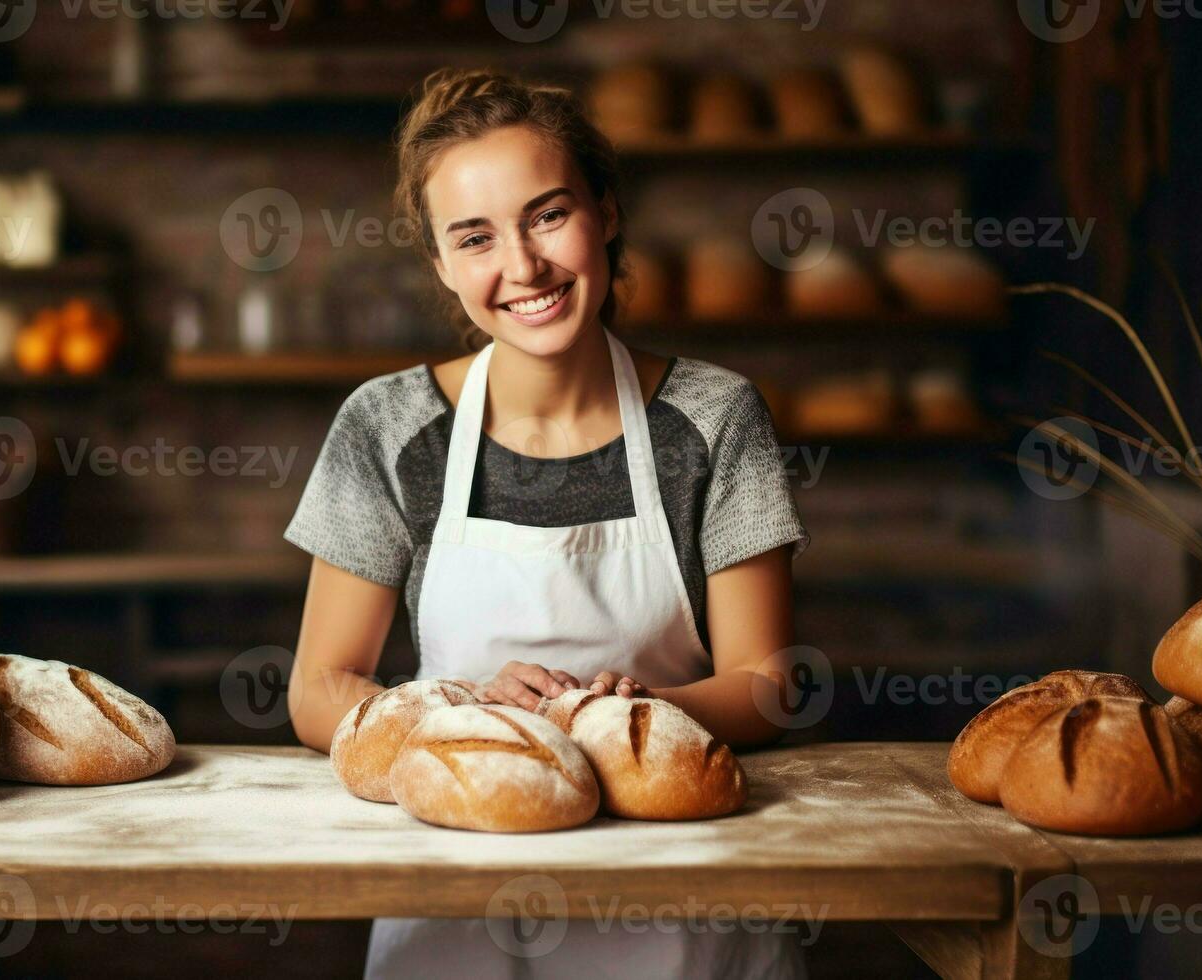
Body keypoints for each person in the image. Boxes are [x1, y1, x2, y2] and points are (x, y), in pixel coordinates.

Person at [283, 67, 810, 979]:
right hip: (452, 887)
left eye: (547, 215)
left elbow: (765, 684)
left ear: (605, 213)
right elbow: (318, 689)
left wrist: (606, 717)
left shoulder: (715, 418)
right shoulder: (388, 425)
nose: (522, 267)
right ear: (442, 265)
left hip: (673, 894)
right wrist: (467, 715)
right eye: (475, 237)